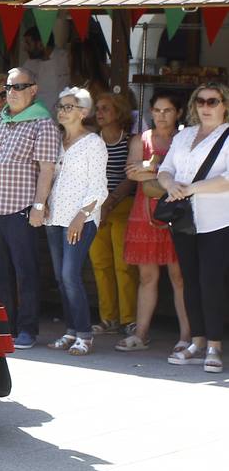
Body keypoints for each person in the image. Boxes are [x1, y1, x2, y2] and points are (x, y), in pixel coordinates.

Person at [0, 67, 61, 349]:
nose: (10, 94)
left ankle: (27, 328)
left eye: (17, 87)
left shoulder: (43, 124)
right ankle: (5, 326)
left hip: (21, 208)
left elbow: (46, 169)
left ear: (33, 89)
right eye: (5, 90)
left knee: (26, 272)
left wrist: (39, 205)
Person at [158, 82, 229, 375]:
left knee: (211, 281)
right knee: (189, 280)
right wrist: (171, 185)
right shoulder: (184, 135)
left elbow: (227, 179)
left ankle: (214, 344)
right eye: (201, 101)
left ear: (225, 104)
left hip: (218, 219)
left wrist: (190, 189)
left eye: (213, 101)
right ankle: (197, 340)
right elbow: (165, 169)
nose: (206, 107)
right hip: (185, 220)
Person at [120, 92, 192, 354]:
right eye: (157, 110)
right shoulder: (143, 139)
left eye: (168, 110)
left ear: (179, 113)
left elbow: (187, 173)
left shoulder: (185, 139)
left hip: (176, 211)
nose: (161, 116)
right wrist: (161, 169)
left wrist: (150, 168)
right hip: (146, 213)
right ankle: (141, 334)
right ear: (151, 112)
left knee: (179, 276)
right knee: (147, 276)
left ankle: (187, 336)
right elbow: (131, 172)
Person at [44, 88, 107, 357]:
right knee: (60, 277)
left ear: (83, 112)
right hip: (54, 216)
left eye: (69, 107)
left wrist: (81, 217)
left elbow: (99, 187)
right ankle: (70, 330)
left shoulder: (94, 143)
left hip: (80, 218)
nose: (62, 110)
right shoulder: (55, 140)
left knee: (71, 274)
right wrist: (43, 201)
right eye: (60, 106)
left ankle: (84, 333)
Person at [88, 90, 137, 335]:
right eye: (98, 109)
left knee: (124, 264)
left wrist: (111, 200)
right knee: (100, 263)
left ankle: (129, 318)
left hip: (122, 206)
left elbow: (131, 176)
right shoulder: (92, 141)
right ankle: (108, 317)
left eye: (105, 109)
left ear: (119, 113)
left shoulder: (129, 141)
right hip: (96, 207)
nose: (100, 113)